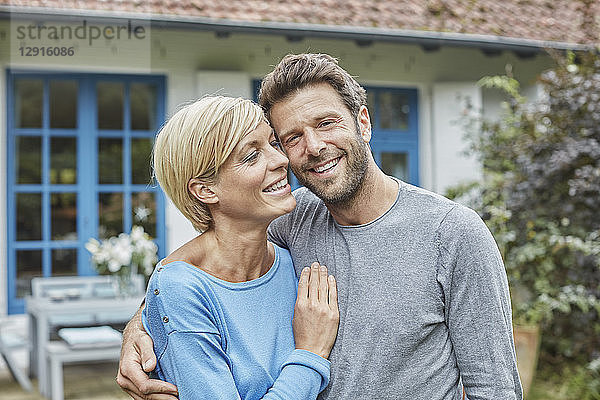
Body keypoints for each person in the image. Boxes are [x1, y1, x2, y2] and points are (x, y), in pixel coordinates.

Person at [118, 54, 523, 400]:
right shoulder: (290, 221)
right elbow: (202, 264)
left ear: (362, 122)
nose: (312, 147)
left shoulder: (453, 234)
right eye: (291, 138)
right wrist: (140, 326)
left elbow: (495, 389)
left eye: (326, 123)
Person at [131, 95, 339, 400]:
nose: (281, 160)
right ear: (205, 190)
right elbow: (166, 285)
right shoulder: (182, 289)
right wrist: (310, 354)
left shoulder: (294, 256)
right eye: (251, 156)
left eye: (272, 143)